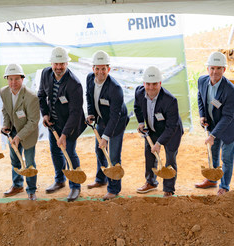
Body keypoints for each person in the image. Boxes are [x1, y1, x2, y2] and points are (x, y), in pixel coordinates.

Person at [38, 47, 86, 202]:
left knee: (70, 153)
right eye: (56, 64)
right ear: (52, 63)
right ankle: (60, 180)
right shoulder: (46, 74)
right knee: (55, 152)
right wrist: (45, 114)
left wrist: (64, 135)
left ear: (67, 63)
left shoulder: (74, 84)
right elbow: (41, 95)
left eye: (62, 64)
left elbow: (75, 113)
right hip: (53, 122)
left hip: (71, 124)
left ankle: (75, 186)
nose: (59, 67)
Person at [194, 51, 234, 195]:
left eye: (219, 68)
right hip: (213, 123)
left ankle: (224, 186)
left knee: (226, 158)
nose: (215, 72)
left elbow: (227, 117)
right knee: (213, 154)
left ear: (224, 70)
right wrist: (202, 115)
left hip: (229, 128)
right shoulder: (202, 81)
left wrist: (213, 135)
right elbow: (200, 95)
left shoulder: (230, 90)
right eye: (212, 68)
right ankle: (212, 180)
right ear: (208, 68)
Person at [134, 65, 183, 197]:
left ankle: (168, 188)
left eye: (154, 84)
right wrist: (140, 122)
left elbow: (171, 126)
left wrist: (159, 143)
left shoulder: (170, 100)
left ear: (160, 83)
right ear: (144, 83)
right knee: (149, 155)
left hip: (172, 132)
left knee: (170, 160)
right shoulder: (139, 92)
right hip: (152, 129)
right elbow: (137, 108)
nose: (151, 88)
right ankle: (151, 182)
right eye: (148, 84)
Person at [85, 50, 129, 200]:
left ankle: (114, 189)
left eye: (103, 68)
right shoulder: (90, 78)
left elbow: (115, 116)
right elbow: (89, 97)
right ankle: (101, 179)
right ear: (93, 69)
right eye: (97, 68)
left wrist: (105, 137)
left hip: (116, 123)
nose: (100, 72)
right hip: (102, 120)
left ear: (108, 70)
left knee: (114, 155)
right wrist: (91, 113)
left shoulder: (115, 88)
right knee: (99, 151)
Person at [0, 64, 40, 200]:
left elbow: (33, 122)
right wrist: (6, 125)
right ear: (7, 79)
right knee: (15, 161)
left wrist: (19, 136)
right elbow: (5, 110)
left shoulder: (31, 97)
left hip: (28, 133)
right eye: (10, 79)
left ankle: (31, 190)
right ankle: (17, 185)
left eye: (17, 79)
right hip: (13, 132)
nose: (13, 82)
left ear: (22, 79)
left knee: (29, 163)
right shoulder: (4, 92)